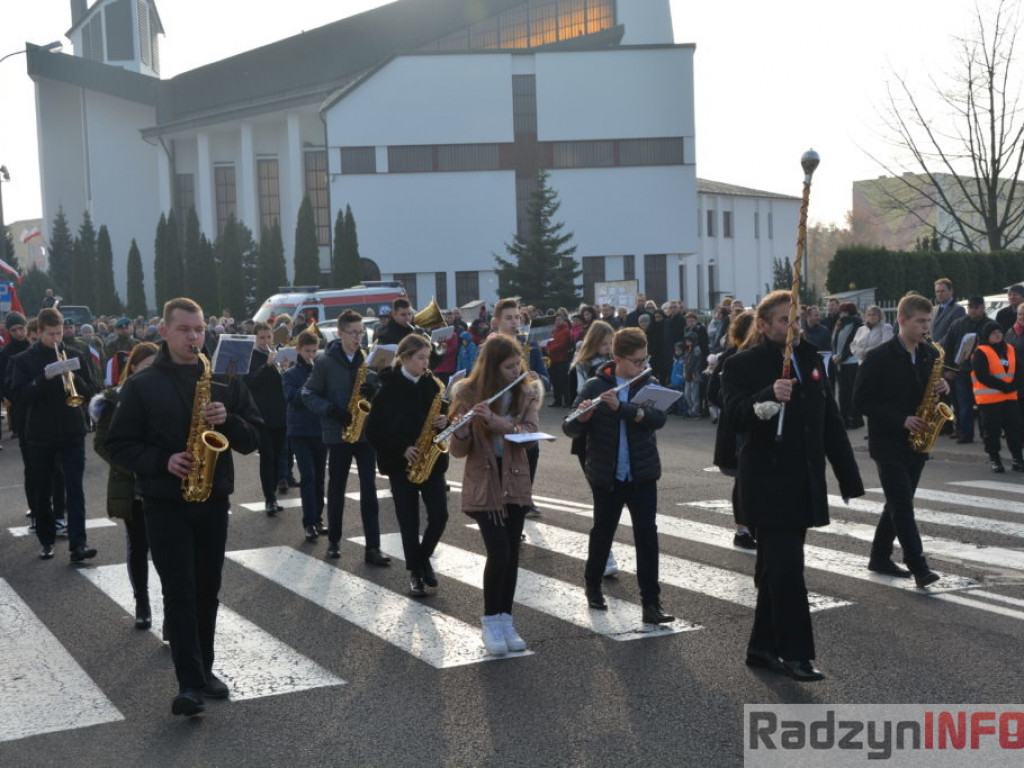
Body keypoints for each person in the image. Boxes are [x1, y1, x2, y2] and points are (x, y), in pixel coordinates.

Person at [105, 298, 263, 716]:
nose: (195, 338)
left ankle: (205, 669)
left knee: (208, 587)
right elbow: (116, 443)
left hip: (212, 497)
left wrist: (228, 419)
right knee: (179, 589)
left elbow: (253, 439)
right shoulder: (142, 385)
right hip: (163, 501)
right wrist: (162, 461)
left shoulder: (224, 379)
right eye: (185, 330)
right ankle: (188, 683)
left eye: (199, 330)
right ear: (164, 331)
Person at [723, 291, 863, 681]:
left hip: (803, 480)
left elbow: (829, 420)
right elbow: (733, 416)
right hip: (767, 482)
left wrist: (848, 477)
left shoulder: (810, 358)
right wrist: (768, 395)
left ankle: (761, 647)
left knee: (774, 569)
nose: (793, 327)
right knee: (787, 570)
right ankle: (795, 653)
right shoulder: (742, 364)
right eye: (784, 320)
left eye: (796, 319)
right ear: (764, 325)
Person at [563, 327, 674, 625]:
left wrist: (625, 409)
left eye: (644, 359)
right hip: (607, 474)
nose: (642, 366)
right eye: (637, 361)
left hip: (642, 473)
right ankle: (592, 585)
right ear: (617, 358)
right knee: (603, 531)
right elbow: (568, 427)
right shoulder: (595, 385)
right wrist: (583, 416)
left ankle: (651, 602)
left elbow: (658, 419)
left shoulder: (648, 383)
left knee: (647, 536)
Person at [448, 335, 540, 655]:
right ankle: (490, 621)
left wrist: (496, 422)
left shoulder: (525, 393)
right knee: (498, 551)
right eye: (509, 367)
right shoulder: (468, 393)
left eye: (518, 365)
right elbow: (459, 451)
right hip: (484, 481)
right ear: (492, 367)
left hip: (514, 479)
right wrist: (460, 429)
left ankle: (506, 620)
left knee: (512, 553)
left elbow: (529, 437)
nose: (516, 371)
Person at [853, 293, 947, 590]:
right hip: (888, 442)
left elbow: (926, 394)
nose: (925, 327)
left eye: (928, 321)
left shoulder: (930, 355)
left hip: (917, 442)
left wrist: (943, 388)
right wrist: (900, 418)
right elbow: (861, 401)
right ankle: (918, 565)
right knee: (903, 505)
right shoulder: (879, 357)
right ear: (902, 321)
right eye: (920, 321)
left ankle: (879, 557)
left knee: (896, 503)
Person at [301, 309, 390, 565]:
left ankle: (373, 547)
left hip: (365, 433)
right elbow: (307, 393)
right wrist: (331, 410)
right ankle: (334, 542)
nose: (358, 337)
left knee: (369, 490)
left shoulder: (368, 359)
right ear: (340, 334)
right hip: (338, 433)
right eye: (353, 333)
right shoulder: (325, 362)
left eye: (361, 332)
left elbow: (379, 391)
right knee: (337, 488)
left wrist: (375, 389)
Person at [9, 308, 98, 561]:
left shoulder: (75, 354)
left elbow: (91, 390)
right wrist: (44, 378)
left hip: (72, 430)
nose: (56, 339)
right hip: (40, 434)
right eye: (51, 335)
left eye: (59, 334)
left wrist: (74, 378)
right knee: (42, 489)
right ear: (38, 332)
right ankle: (46, 540)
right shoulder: (24, 360)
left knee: (75, 488)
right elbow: (19, 397)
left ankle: (78, 544)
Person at [366, 334, 450, 597]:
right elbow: (373, 431)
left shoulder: (433, 386)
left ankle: (422, 559)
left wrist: (444, 422)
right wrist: (402, 447)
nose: (427, 363)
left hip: (431, 462)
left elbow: (446, 415)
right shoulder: (388, 388)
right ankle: (415, 573)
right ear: (404, 358)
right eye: (421, 358)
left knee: (440, 516)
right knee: (408, 521)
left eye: (428, 357)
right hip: (400, 464)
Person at [91, 342, 159, 629]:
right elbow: (102, 443)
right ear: (133, 368)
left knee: (170, 549)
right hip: (132, 483)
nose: (151, 372)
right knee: (138, 546)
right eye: (145, 366)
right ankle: (142, 602)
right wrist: (131, 463)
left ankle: (173, 608)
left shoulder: (166, 394)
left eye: (155, 366)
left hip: (162, 482)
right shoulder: (114, 399)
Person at [709, 310, 757, 549]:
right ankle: (742, 529)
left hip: (758, 423)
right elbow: (712, 393)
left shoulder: (764, 355)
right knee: (741, 478)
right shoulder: (730, 356)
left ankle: (754, 524)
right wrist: (733, 401)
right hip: (737, 426)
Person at [283, 330, 327, 541]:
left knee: (319, 478)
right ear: (298, 351)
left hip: (320, 430)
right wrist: (311, 383)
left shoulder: (322, 370)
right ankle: (309, 522)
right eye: (307, 351)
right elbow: (292, 398)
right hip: (299, 431)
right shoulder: (290, 375)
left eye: (314, 351)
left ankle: (318, 518)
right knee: (307, 476)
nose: (311, 355)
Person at [245, 322, 287, 516]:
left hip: (280, 412)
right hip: (261, 415)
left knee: (279, 456)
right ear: (255, 338)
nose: (266, 341)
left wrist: (285, 368)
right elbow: (250, 382)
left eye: (268, 337)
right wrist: (267, 365)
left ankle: (275, 492)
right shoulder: (251, 356)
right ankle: (269, 498)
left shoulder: (278, 354)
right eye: (262, 338)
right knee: (267, 458)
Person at [971, 321, 1024, 473]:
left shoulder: (1010, 349)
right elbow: (982, 376)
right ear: (987, 335)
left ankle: (1017, 459)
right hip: (990, 399)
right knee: (992, 431)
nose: (997, 335)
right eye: (994, 333)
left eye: (999, 332)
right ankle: (995, 459)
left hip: (1010, 397)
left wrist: (1014, 385)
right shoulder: (980, 351)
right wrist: (1004, 386)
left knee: (1014, 429)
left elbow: (1019, 370)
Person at [943, 296, 988, 444]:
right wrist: (948, 369)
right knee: (964, 404)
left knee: (984, 405)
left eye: (976, 307)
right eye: (970, 307)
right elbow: (947, 348)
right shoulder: (958, 325)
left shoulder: (990, 325)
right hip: (962, 371)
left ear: (983, 307)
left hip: (984, 372)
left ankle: (986, 434)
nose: (973, 310)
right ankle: (965, 434)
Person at [831, 302, 864, 429]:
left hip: (851, 362)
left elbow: (853, 344)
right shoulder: (840, 324)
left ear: (849, 311)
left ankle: (855, 419)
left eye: (843, 311)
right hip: (840, 362)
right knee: (843, 393)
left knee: (852, 392)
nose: (841, 314)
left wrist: (842, 357)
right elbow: (834, 340)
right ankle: (844, 418)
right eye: (841, 312)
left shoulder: (856, 324)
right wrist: (835, 355)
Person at [546, 313, 573, 407]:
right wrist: (548, 348)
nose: (557, 321)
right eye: (556, 320)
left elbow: (562, 344)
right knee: (555, 381)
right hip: (552, 359)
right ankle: (557, 400)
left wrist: (550, 349)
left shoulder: (566, 331)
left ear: (563, 320)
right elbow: (548, 341)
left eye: (559, 319)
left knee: (563, 381)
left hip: (562, 359)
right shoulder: (554, 330)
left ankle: (567, 401)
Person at [931, 278, 966, 346]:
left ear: (951, 291)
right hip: (933, 352)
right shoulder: (933, 310)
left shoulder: (958, 310)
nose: (939, 294)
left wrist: (937, 346)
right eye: (937, 292)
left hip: (947, 351)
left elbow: (954, 333)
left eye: (942, 291)